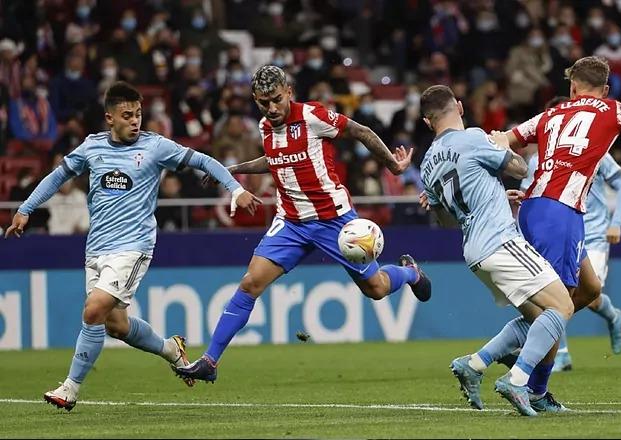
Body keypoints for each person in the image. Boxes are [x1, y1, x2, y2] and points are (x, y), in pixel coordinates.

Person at [4, 82, 262, 411]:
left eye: (138, 114)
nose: (135, 121)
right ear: (110, 118)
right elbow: (57, 177)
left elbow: (203, 161)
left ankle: (70, 388)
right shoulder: (92, 147)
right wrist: (26, 208)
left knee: (94, 310)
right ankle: (171, 349)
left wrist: (236, 189)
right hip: (96, 249)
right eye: (127, 115)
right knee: (116, 325)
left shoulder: (155, 147)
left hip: (133, 247)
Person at [173, 65, 432, 384]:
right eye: (263, 102)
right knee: (250, 283)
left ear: (289, 92)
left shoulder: (313, 117)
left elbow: (361, 131)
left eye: (277, 100)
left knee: (376, 288)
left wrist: (393, 165)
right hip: (291, 222)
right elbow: (272, 160)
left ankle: (410, 272)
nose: (271, 108)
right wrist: (230, 169)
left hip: (333, 220)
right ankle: (210, 361)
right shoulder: (266, 127)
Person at [503, 56, 621, 410]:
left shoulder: (549, 115)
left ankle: (528, 341)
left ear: (572, 86)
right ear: (605, 89)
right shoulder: (613, 109)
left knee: (589, 289)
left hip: (541, 208)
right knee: (558, 306)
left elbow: (505, 140)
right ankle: (529, 383)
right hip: (560, 212)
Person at [417, 85, 573, 417]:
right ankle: (517, 380)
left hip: (474, 252)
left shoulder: (428, 163)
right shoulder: (473, 137)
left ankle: (474, 364)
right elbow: (518, 168)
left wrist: (496, 196)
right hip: (500, 241)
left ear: (427, 122)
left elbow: (446, 221)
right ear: (459, 106)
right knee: (562, 306)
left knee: (537, 320)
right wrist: (502, 143)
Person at [521, 150, 621, 371]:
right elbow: (529, 198)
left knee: (588, 295)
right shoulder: (538, 159)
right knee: (556, 294)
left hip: (594, 234)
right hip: (559, 234)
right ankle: (561, 354)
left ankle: (612, 315)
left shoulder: (595, 148)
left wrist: (617, 222)